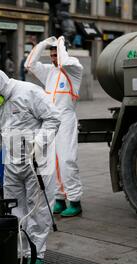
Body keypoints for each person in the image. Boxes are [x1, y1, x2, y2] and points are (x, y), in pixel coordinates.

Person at [0, 68, 60, 264]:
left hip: (37, 162)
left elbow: (53, 118)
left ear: (1, 88)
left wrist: (39, 143)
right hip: (13, 163)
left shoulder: (29, 92)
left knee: (38, 208)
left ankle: (36, 252)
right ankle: (19, 250)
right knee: (14, 208)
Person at [24, 36, 84, 218]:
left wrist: (60, 43)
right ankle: (59, 198)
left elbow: (65, 61)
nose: (53, 58)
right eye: (51, 55)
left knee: (66, 159)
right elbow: (30, 64)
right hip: (50, 121)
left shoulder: (74, 68)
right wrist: (43, 44)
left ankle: (75, 201)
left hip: (66, 118)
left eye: (55, 54)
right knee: (51, 161)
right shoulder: (50, 71)